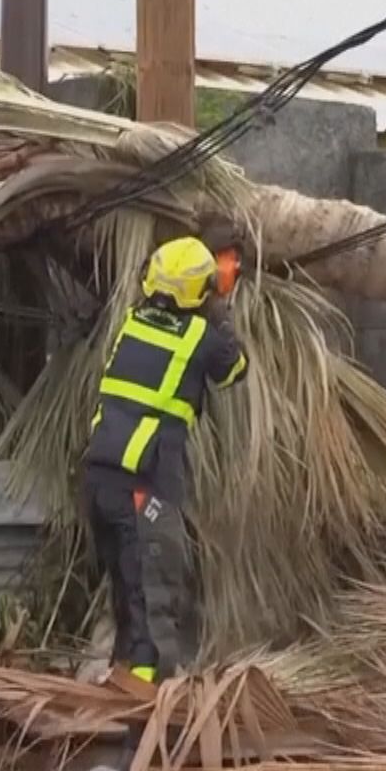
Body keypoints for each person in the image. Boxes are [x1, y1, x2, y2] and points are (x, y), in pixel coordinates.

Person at [81, 236, 248, 685]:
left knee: (129, 603)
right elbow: (234, 370)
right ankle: (146, 716)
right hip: (143, 489)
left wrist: (208, 292)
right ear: (202, 291)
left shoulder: (132, 324)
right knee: (156, 605)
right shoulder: (200, 338)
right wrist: (222, 306)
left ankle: (119, 698)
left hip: (98, 485)